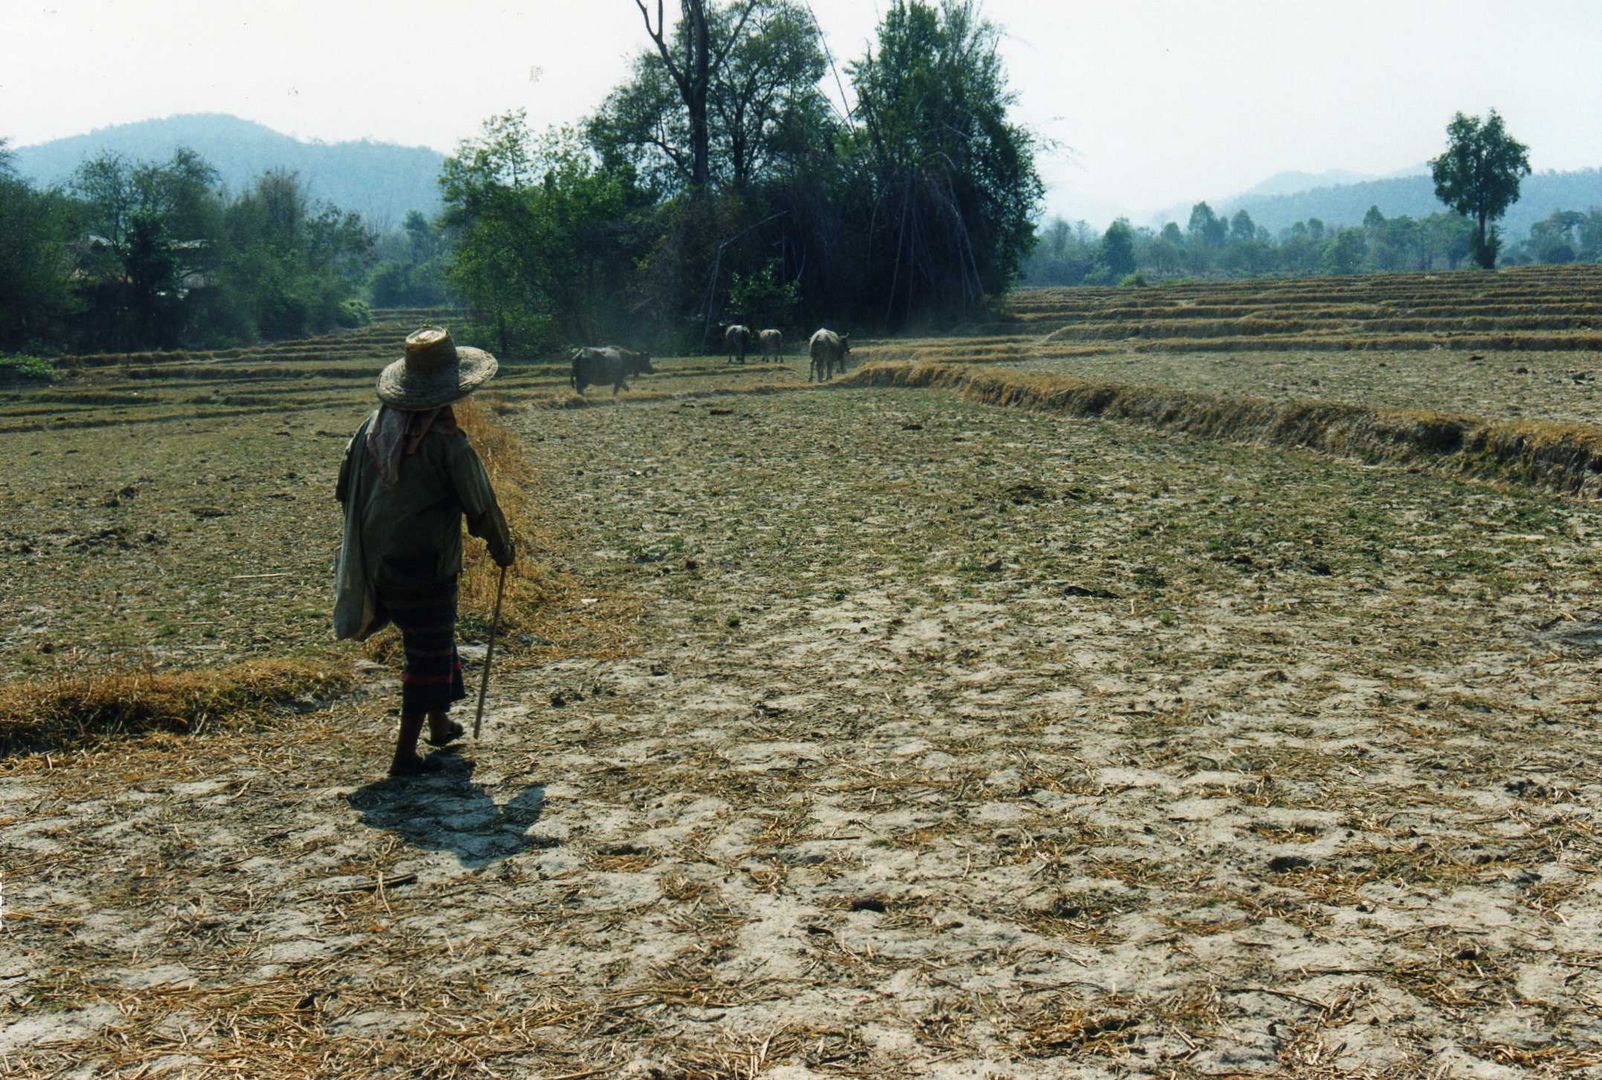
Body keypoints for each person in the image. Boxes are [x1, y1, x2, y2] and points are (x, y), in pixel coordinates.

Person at [334, 327, 515, 776]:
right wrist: (502, 546)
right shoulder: (446, 442)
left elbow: (342, 489)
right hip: (424, 563)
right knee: (428, 650)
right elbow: (481, 504)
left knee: (431, 634)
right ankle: (403, 756)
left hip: (379, 560)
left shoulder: (371, 429)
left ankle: (440, 723)